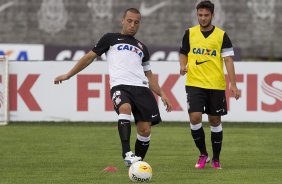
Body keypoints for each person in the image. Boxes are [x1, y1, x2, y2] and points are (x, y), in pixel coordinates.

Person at [54, 8, 172, 167]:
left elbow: (149, 75)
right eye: (129, 21)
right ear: (122, 20)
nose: (132, 25)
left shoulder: (142, 47)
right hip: (120, 86)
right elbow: (89, 57)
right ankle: (126, 153)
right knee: (124, 108)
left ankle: (135, 166)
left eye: (136, 22)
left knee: (145, 130)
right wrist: (68, 75)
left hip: (141, 89)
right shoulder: (110, 38)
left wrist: (162, 93)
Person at [179, 0, 240, 169]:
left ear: (213, 15)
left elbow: (228, 60)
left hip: (216, 85)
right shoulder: (189, 33)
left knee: (214, 120)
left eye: (206, 15)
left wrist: (233, 84)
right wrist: (182, 65)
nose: (203, 18)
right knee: (195, 117)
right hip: (194, 83)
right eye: (200, 15)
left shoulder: (221, 35)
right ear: (196, 15)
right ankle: (203, 154)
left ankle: (216, 158)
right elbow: (183, 53)